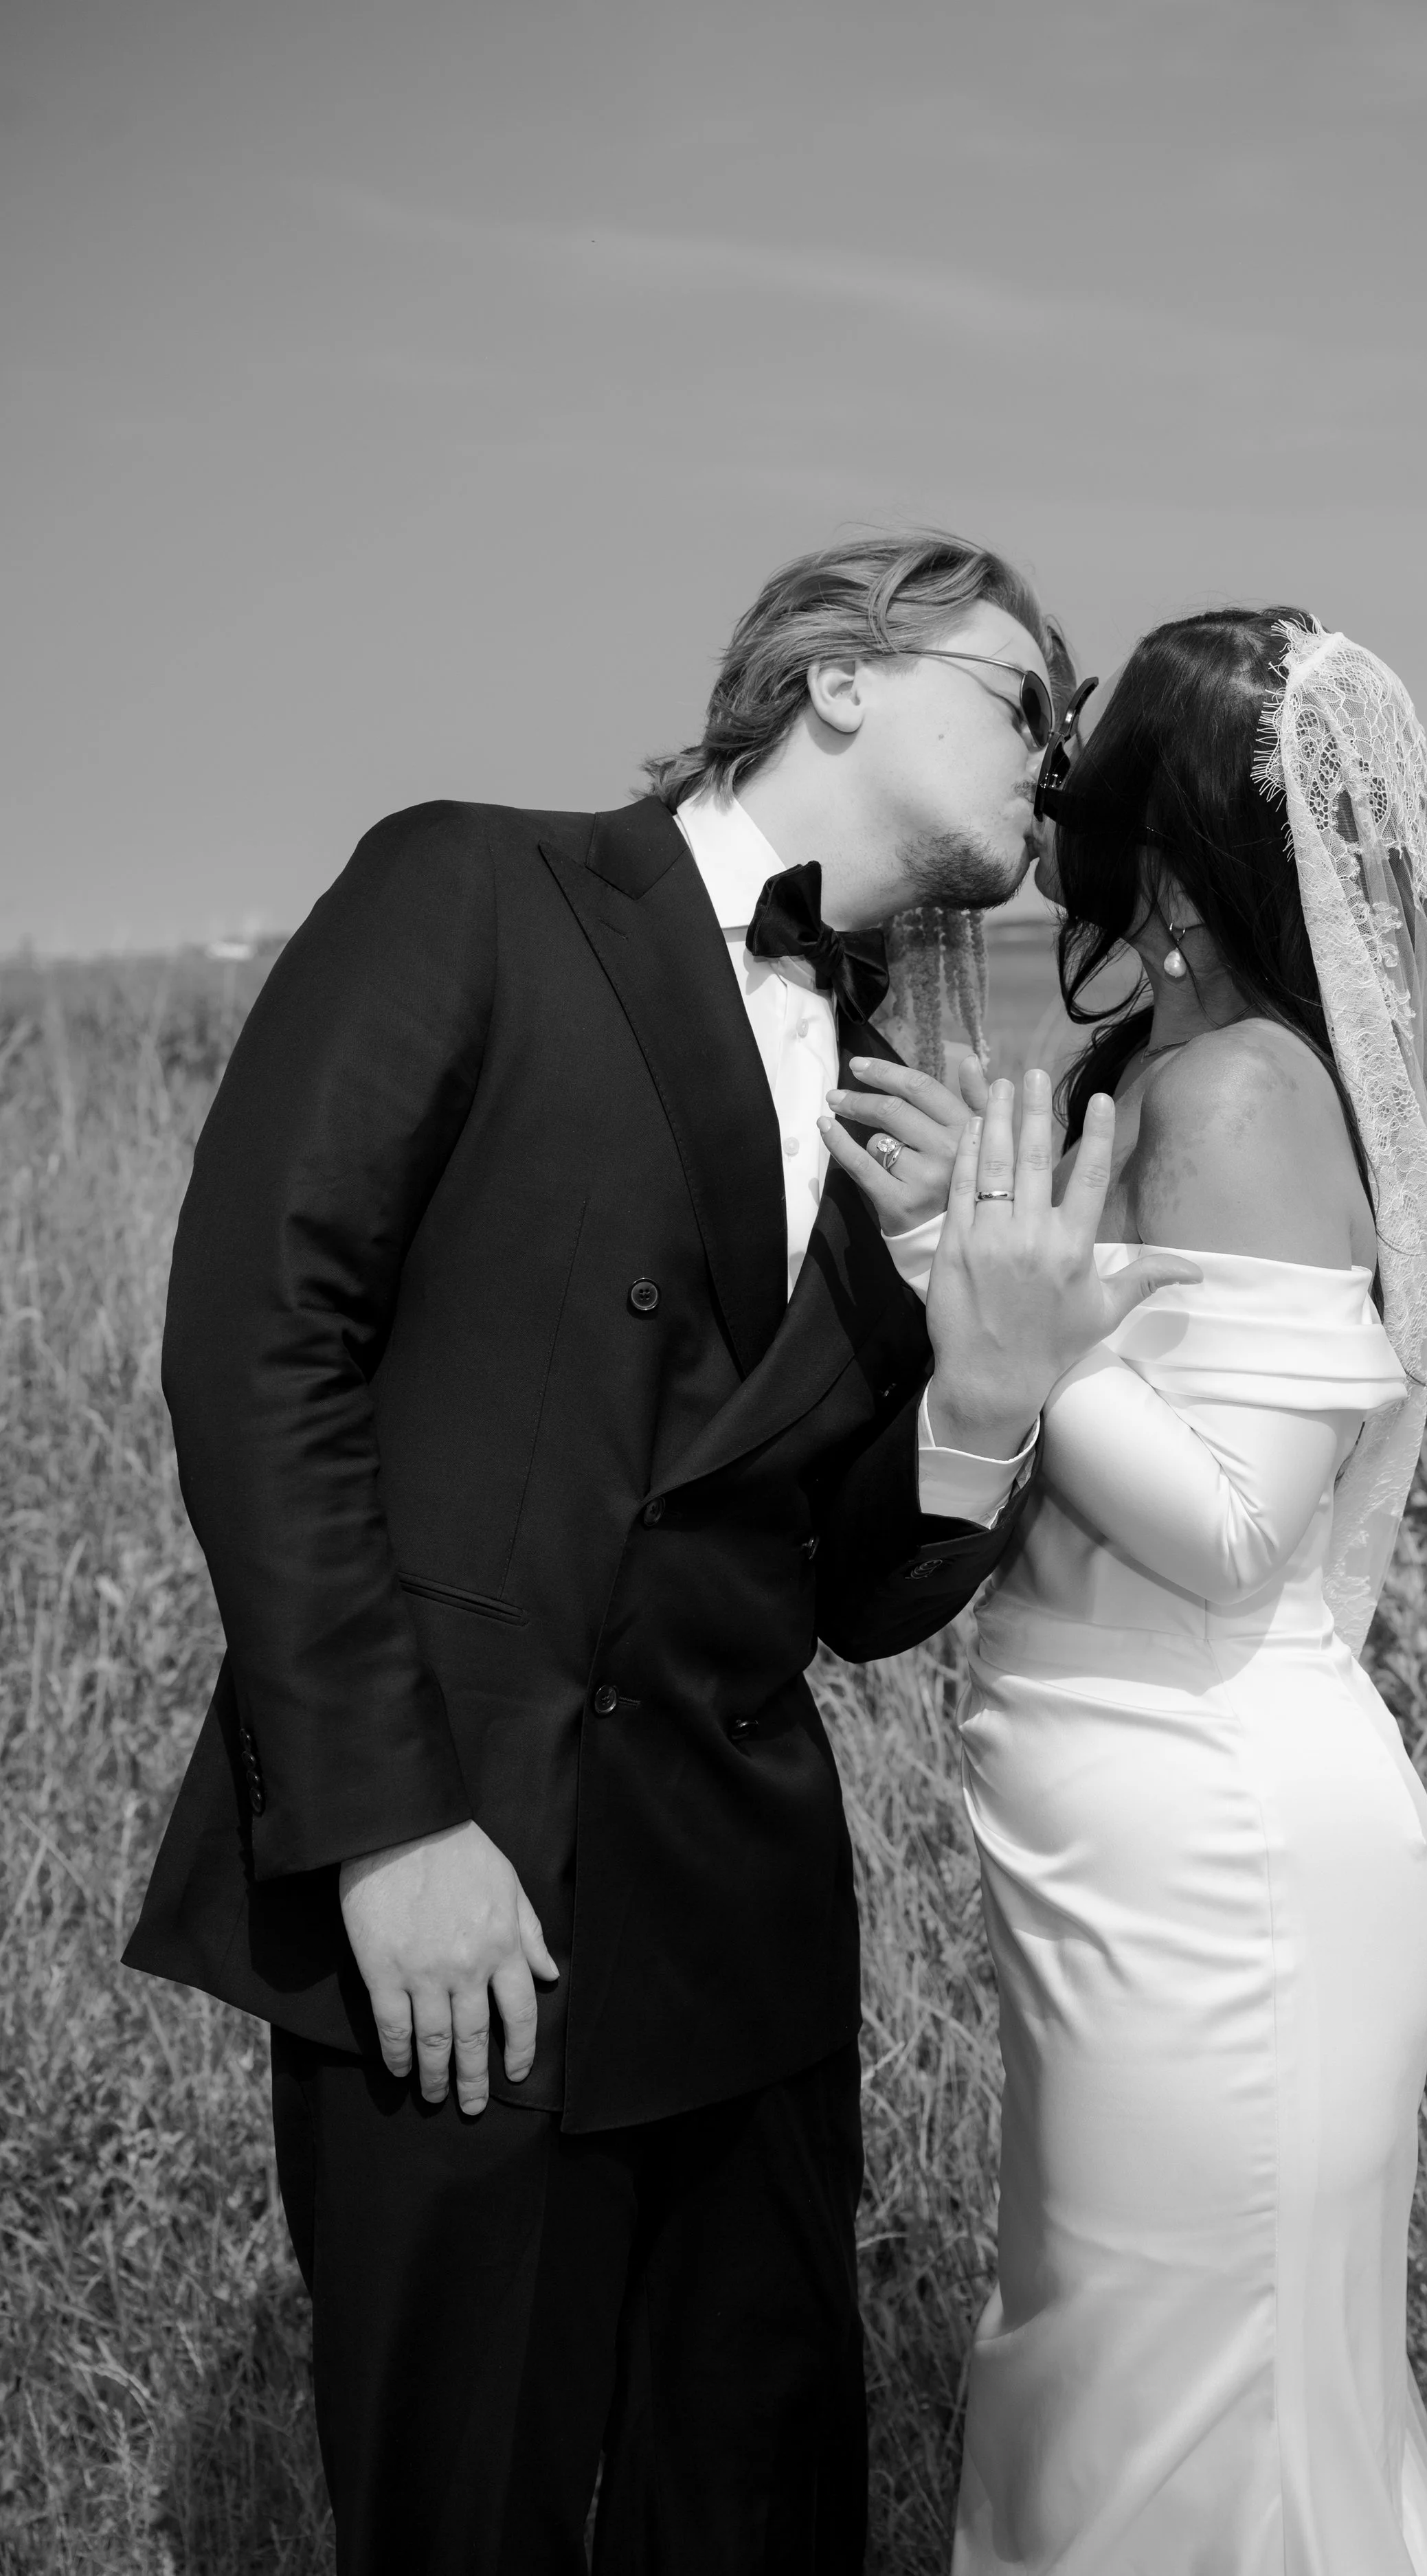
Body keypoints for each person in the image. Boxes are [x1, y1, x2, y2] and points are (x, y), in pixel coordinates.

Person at [122, 527, 1191, 2576]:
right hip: (450, 1902)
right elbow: (259, 1338)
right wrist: (380, 1829)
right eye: (1022, 696)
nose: (1054, 757)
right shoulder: (475, 887)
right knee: (467, 2523)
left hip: (739, 1940)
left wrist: (982, 1384)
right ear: (840, 672)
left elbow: (853, 1594)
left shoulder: (909, 1109)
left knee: (758, 2518)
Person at [836, 608, 1427, 2571]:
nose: (1052, 786)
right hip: (1135, 1834)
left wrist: (975, 1246)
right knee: (1125, 2373)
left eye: (1083, 756)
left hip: (1223, 1856)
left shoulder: (1246, 1098)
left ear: (1168, 843)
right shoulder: (1172, 1064)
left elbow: (1223, 1528)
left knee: (1172, 2404)